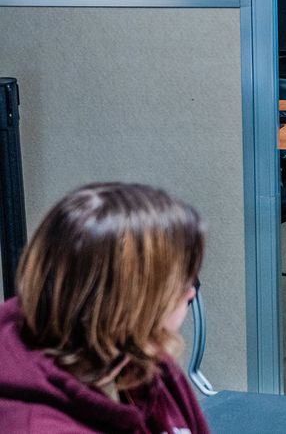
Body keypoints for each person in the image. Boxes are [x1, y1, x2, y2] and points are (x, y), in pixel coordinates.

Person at [0, 183, 209, 434]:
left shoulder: (144, 360)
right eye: (183, 279)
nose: (191, 291)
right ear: (128, 301)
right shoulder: (34, 425)